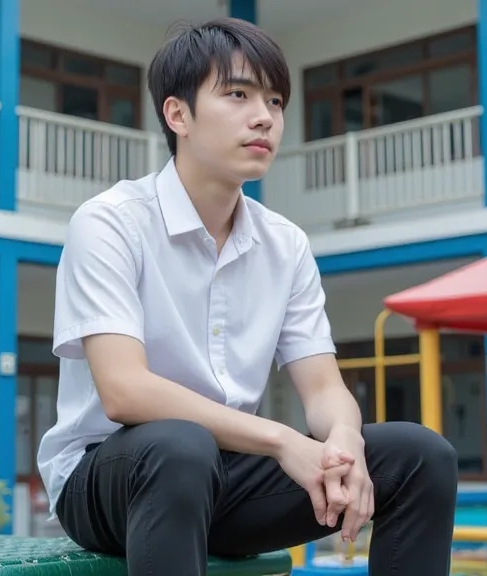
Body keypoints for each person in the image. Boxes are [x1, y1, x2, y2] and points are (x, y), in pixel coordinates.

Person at [36, 16, 459, 576]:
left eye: (276, 101)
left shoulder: (284, 244)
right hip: (110, 479)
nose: (265, 117)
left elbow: (325, 387)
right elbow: (124, 392)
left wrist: (346, 443)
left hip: (229, 482)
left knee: (420, 456)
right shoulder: (110, 223)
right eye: (237, 94)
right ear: (177, 113)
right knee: (179, 448)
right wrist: (284, 441)